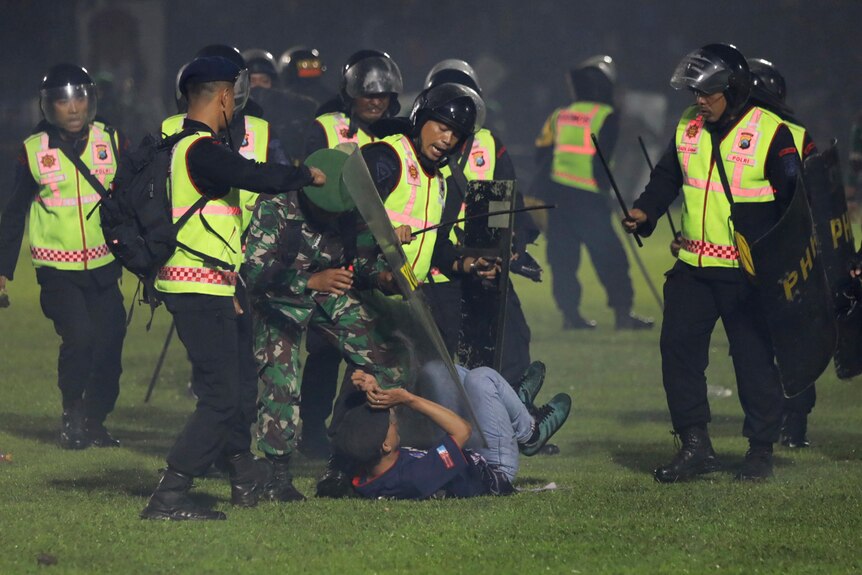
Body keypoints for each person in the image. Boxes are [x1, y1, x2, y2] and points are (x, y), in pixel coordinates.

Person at [139, 56, 325, 521]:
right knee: (221, 398)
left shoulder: (182, 145)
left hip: (216, 285)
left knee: (237, 387)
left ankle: (243, 473)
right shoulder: (200, 149)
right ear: (225, 97)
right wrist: (304, 175)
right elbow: (253, 175)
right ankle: (170, 495)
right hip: (196, 287)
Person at [623, 43, 801, 482]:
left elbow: (796, 205)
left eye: (708, 93)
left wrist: (785, 264)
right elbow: (668, 174)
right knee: (678, 353)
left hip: (747, 274)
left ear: (734, 89)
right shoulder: (689, 125)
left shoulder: (770, 132)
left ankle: (760, 449)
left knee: (754, 361)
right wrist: (646, 212)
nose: (698, 101)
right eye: (695, 93)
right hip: (693, 269)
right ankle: (695, 446)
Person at [243, 148, 413, 501]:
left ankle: (348, 455)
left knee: (387, 357)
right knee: (281, 379)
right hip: (279, 298)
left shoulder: (349, 209)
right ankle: (277, 474)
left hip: (328, 295)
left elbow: (356, 262)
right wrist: (309, 281)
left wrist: (380, 277)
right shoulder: (274, 206)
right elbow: (256, 273)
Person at [0, 63, 127, 450]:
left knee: (111, 343)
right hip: (57, 269)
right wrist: (2, 270)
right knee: (81, 338)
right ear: (48, 107)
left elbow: (130, 198)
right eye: (62, 101)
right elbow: (14, 211)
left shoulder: (112, 140)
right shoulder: (34, 151)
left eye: (79, 99)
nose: (72, 108)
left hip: (105, 266)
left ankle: (95, 420)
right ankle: (73, 414)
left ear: (91, 101)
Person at [296, 49, 405, 458]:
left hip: (379, 256)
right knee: (325, 348)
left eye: (383, 95)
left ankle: (353, 428)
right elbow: (309, 189)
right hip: (332, 253)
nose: (375, 101)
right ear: (350, 95)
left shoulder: (397, 135)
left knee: (376, 347)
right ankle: (311, 429)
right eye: (367, 95)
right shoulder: (325, 129)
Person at [424, 58, 540, 386]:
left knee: (510, 348)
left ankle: (508, 429)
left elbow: (505, 207)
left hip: (482, 266)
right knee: (436, 367)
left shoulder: (488, 145)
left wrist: (512, 245)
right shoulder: (413, 146)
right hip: (432, 275)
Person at [534, 55, 652, 331]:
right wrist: (604, 191)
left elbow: (542, 153)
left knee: (562, 260)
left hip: (558, 198)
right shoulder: (605, 116)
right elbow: (603, 159)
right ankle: (623, 314)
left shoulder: (559, 115)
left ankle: (570, 316)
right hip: (588, 198)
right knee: (611, 257)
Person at [332, 363, 571, 500]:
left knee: (438, 370)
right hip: (492, 467)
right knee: (481, 379)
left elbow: (359, 430)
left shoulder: (367, 463)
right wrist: (408, 398)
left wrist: (373, 389)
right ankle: (530, 431)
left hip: (460, 451)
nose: (394, 419)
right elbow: (462, 431)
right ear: (385, 446)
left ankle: (513, 406)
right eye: (391, 422)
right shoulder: (416, 478)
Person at [746, 57, 818, 448]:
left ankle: (788, 420)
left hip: (774, 253)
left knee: (774, 341)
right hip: (772, 253)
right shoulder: (796, 130)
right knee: (778, 341)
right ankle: (786, 422)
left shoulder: (782, 132)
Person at [243, 47, 318, 164]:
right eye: (252, 81)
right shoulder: (228, 116)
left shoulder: (294, 115)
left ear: (273, 84)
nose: (258, 88)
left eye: (264, 81)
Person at [278, 46, 333, 110]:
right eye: (304, 65)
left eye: (315, 65)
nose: (310, 70)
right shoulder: (279, 102)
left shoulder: (330, 99)